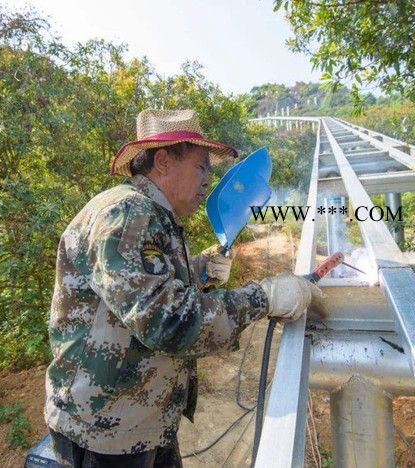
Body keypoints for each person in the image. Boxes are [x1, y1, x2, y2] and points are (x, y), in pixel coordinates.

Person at [44, 109, 324, 467]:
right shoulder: (128, 213)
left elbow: (139, 290)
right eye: (201, 167)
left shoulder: (150, 213)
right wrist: (264, 297)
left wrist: (198, 271)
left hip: (141, 418)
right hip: (105, 430)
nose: (208, 180)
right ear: (163, 161)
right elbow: (167, 322)